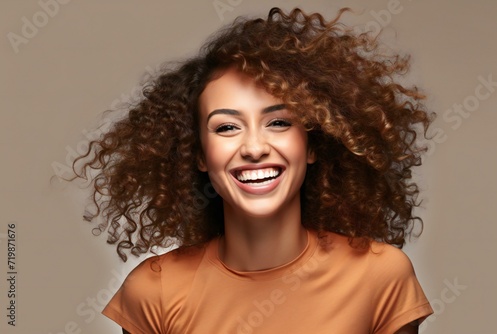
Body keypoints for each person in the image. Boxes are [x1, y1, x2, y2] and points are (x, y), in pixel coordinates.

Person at [73, 7, 434, 334]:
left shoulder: (380, 276)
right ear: (199, 155)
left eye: (278, 122)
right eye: (227, 127)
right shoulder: (155, 291)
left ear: (311, 145)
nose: (255, 148)